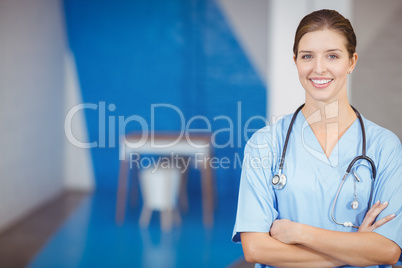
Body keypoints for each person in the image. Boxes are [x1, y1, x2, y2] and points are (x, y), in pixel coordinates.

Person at [232, 9, 402, 268]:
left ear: (352, 62)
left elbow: (388, 250)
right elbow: (255, 247)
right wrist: (355, 248)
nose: (318, 68)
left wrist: (298, 233)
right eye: (307, 56)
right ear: (296, 61)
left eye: (332, 56)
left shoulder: (385, 147)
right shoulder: (264, 143)